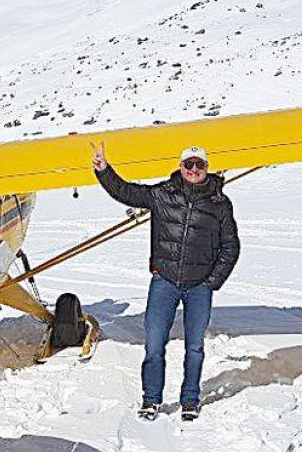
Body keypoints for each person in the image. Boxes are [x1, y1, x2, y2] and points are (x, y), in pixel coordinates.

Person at [91, 142, 239, 422]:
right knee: (154, 344)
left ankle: (190, 400)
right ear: (181, 167)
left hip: (199, 287)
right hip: (165, 282)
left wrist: (211, 282)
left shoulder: (220, 204)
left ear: (207, 168)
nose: (194, 170)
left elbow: (230, 247)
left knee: (194, 347)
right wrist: (103, 170)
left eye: (200, 165)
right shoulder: (162, 194)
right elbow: (126, 192)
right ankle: (151, 400)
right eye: (189, 164)